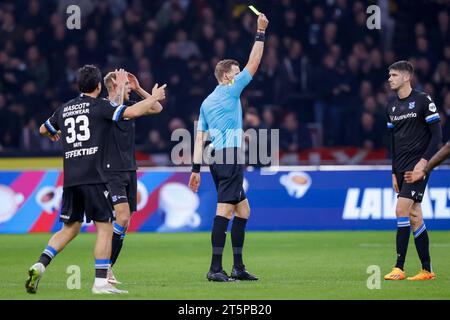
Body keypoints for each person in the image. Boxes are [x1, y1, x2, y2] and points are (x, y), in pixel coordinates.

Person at [26, 65, 166, 294]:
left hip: (71, 178)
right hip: (95, 175)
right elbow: (128, 112)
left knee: (69, 228)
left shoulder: (65, 108)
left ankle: (40, 264)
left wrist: (53, 132)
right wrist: (155, 95)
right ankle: (101, 281)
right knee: (105, 228)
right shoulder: (100, 107)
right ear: (99, 86)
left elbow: (43, 129)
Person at [188, 13, 269, 282]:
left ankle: (237, 267)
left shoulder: (207, 101)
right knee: (225, 210)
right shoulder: (230, 90)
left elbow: (200, 138)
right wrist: (260, 31)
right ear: (226, 76)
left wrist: (195, 169)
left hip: (215, 158)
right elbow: (254, 63)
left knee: (243, 211)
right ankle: (214, 269)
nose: (239, 76)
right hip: (229, 156)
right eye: (235, 73)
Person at [102, 71, 163, 284]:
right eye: (126, 85)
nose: (129, 88)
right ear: (114, 86)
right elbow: (118, 108)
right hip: (111, 171)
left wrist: (138, 89)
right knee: (122, 217)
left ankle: (107, 268)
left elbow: (156, 108)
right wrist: (153, 95)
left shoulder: (129, 107)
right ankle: (105, 268)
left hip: (129, 169)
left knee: (123, 222)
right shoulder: (103, 108)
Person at [383, 61, 442, 281]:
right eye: (389, 75)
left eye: (394, 75)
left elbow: (437, 136)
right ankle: (427, 270)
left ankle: (399, 267)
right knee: (415, 216)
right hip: (400, 169)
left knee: (401, 210)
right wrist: (392, 172)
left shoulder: (423, 100)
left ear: (407, 77)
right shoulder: (391, 107)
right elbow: (394, 142)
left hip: (417, 169)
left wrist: (424, 163)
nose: (390, 78)